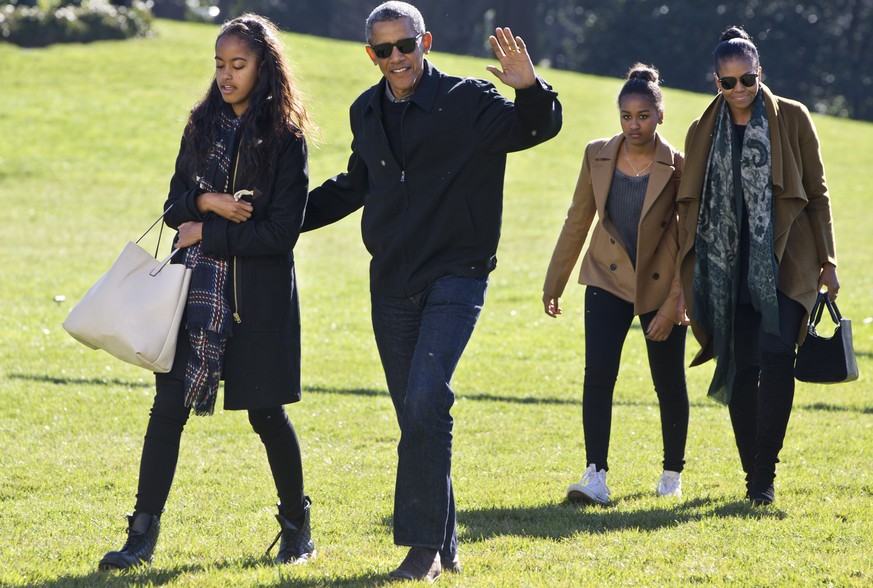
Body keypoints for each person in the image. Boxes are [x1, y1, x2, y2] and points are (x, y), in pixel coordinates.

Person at [301, 1, 561, 581]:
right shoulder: (365, 111)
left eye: (405, 45)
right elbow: (353, 186)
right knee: (416, 416)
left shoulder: (470, 100)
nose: (396, 58)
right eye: (382, 50)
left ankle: (422, 553)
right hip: (391, 280)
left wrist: (531, 88)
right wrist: (279, 218)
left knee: (425, 399)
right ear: (371, 55)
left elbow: (534, 128)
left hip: (457, 274)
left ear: (427, 42)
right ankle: (444, 547)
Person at [98, 14, 318, 569]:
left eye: (238, 65)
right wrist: (205, 204)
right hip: (191, 297)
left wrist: (206, 231)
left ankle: (297, 528)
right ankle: (140, 537)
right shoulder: (200, 125)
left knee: (266, 415)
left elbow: (278, 234)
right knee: (166, 408)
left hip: (256, 304)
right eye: (219, 64)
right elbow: (173, 207)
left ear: (264, 67)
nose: (225, 75)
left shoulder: (286, 141)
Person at [677, 26, 839, 506]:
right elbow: (690, 204)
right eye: (728, 83)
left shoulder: (793, 117)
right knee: (742, 368)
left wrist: (828, 261)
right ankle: (754, 471)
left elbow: (817, 192)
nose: (739, 90)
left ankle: (763, 477)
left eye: (747, 79)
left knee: (776, 359)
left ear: (759, 72)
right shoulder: (703, 129)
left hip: (787, 259)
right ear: (716, 82)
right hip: (728, 266)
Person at [542, 64, 688, 505]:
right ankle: (595, 474)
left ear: (660, 115)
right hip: (606, 276)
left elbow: (688, 240)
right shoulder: (597, 153)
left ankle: (672, 473)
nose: (633, 124)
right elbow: (577, 219)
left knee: (668, 380)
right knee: (598, 374)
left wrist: (674, 304)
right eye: (626, 115)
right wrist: (556, 281)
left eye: (643, 115)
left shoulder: (680, 165)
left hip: (661, 286)